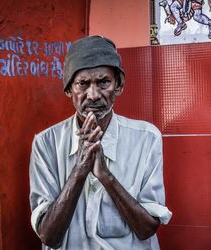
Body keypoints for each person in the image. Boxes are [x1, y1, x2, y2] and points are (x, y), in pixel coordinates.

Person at [29, 36, 172, 250]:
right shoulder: (46, 143)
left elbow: (146, 229)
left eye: (103, 82)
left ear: (119, 86)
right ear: (69, 89)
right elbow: (49, 236)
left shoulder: (146, 138)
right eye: (82, 84)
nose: (93, 95)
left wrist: (105, 176)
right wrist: (79, 171)